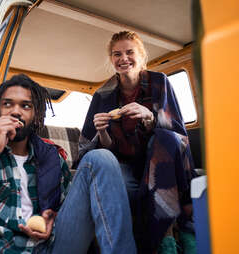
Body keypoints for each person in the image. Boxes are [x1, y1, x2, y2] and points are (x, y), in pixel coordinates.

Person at [0, 74, 136, 254]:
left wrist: (52, 217)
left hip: (48, 247)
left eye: (25, 106)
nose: (16, 111)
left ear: (35, 117)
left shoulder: (52, 157)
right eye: (7, 104)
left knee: (101, 158)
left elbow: (67, 210)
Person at [79, 31, 196, 254]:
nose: (124, 58)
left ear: (141, 56)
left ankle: (166, 238)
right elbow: (98, 150)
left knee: (164, 138)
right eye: (117, 54)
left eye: (129, 52)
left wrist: (150, 116)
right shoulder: (102, 95)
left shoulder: (159, 82)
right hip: (123, 162)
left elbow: (178, 136)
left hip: (159, 157)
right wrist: (102, 132)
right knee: (116, 182)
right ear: (111, 59)